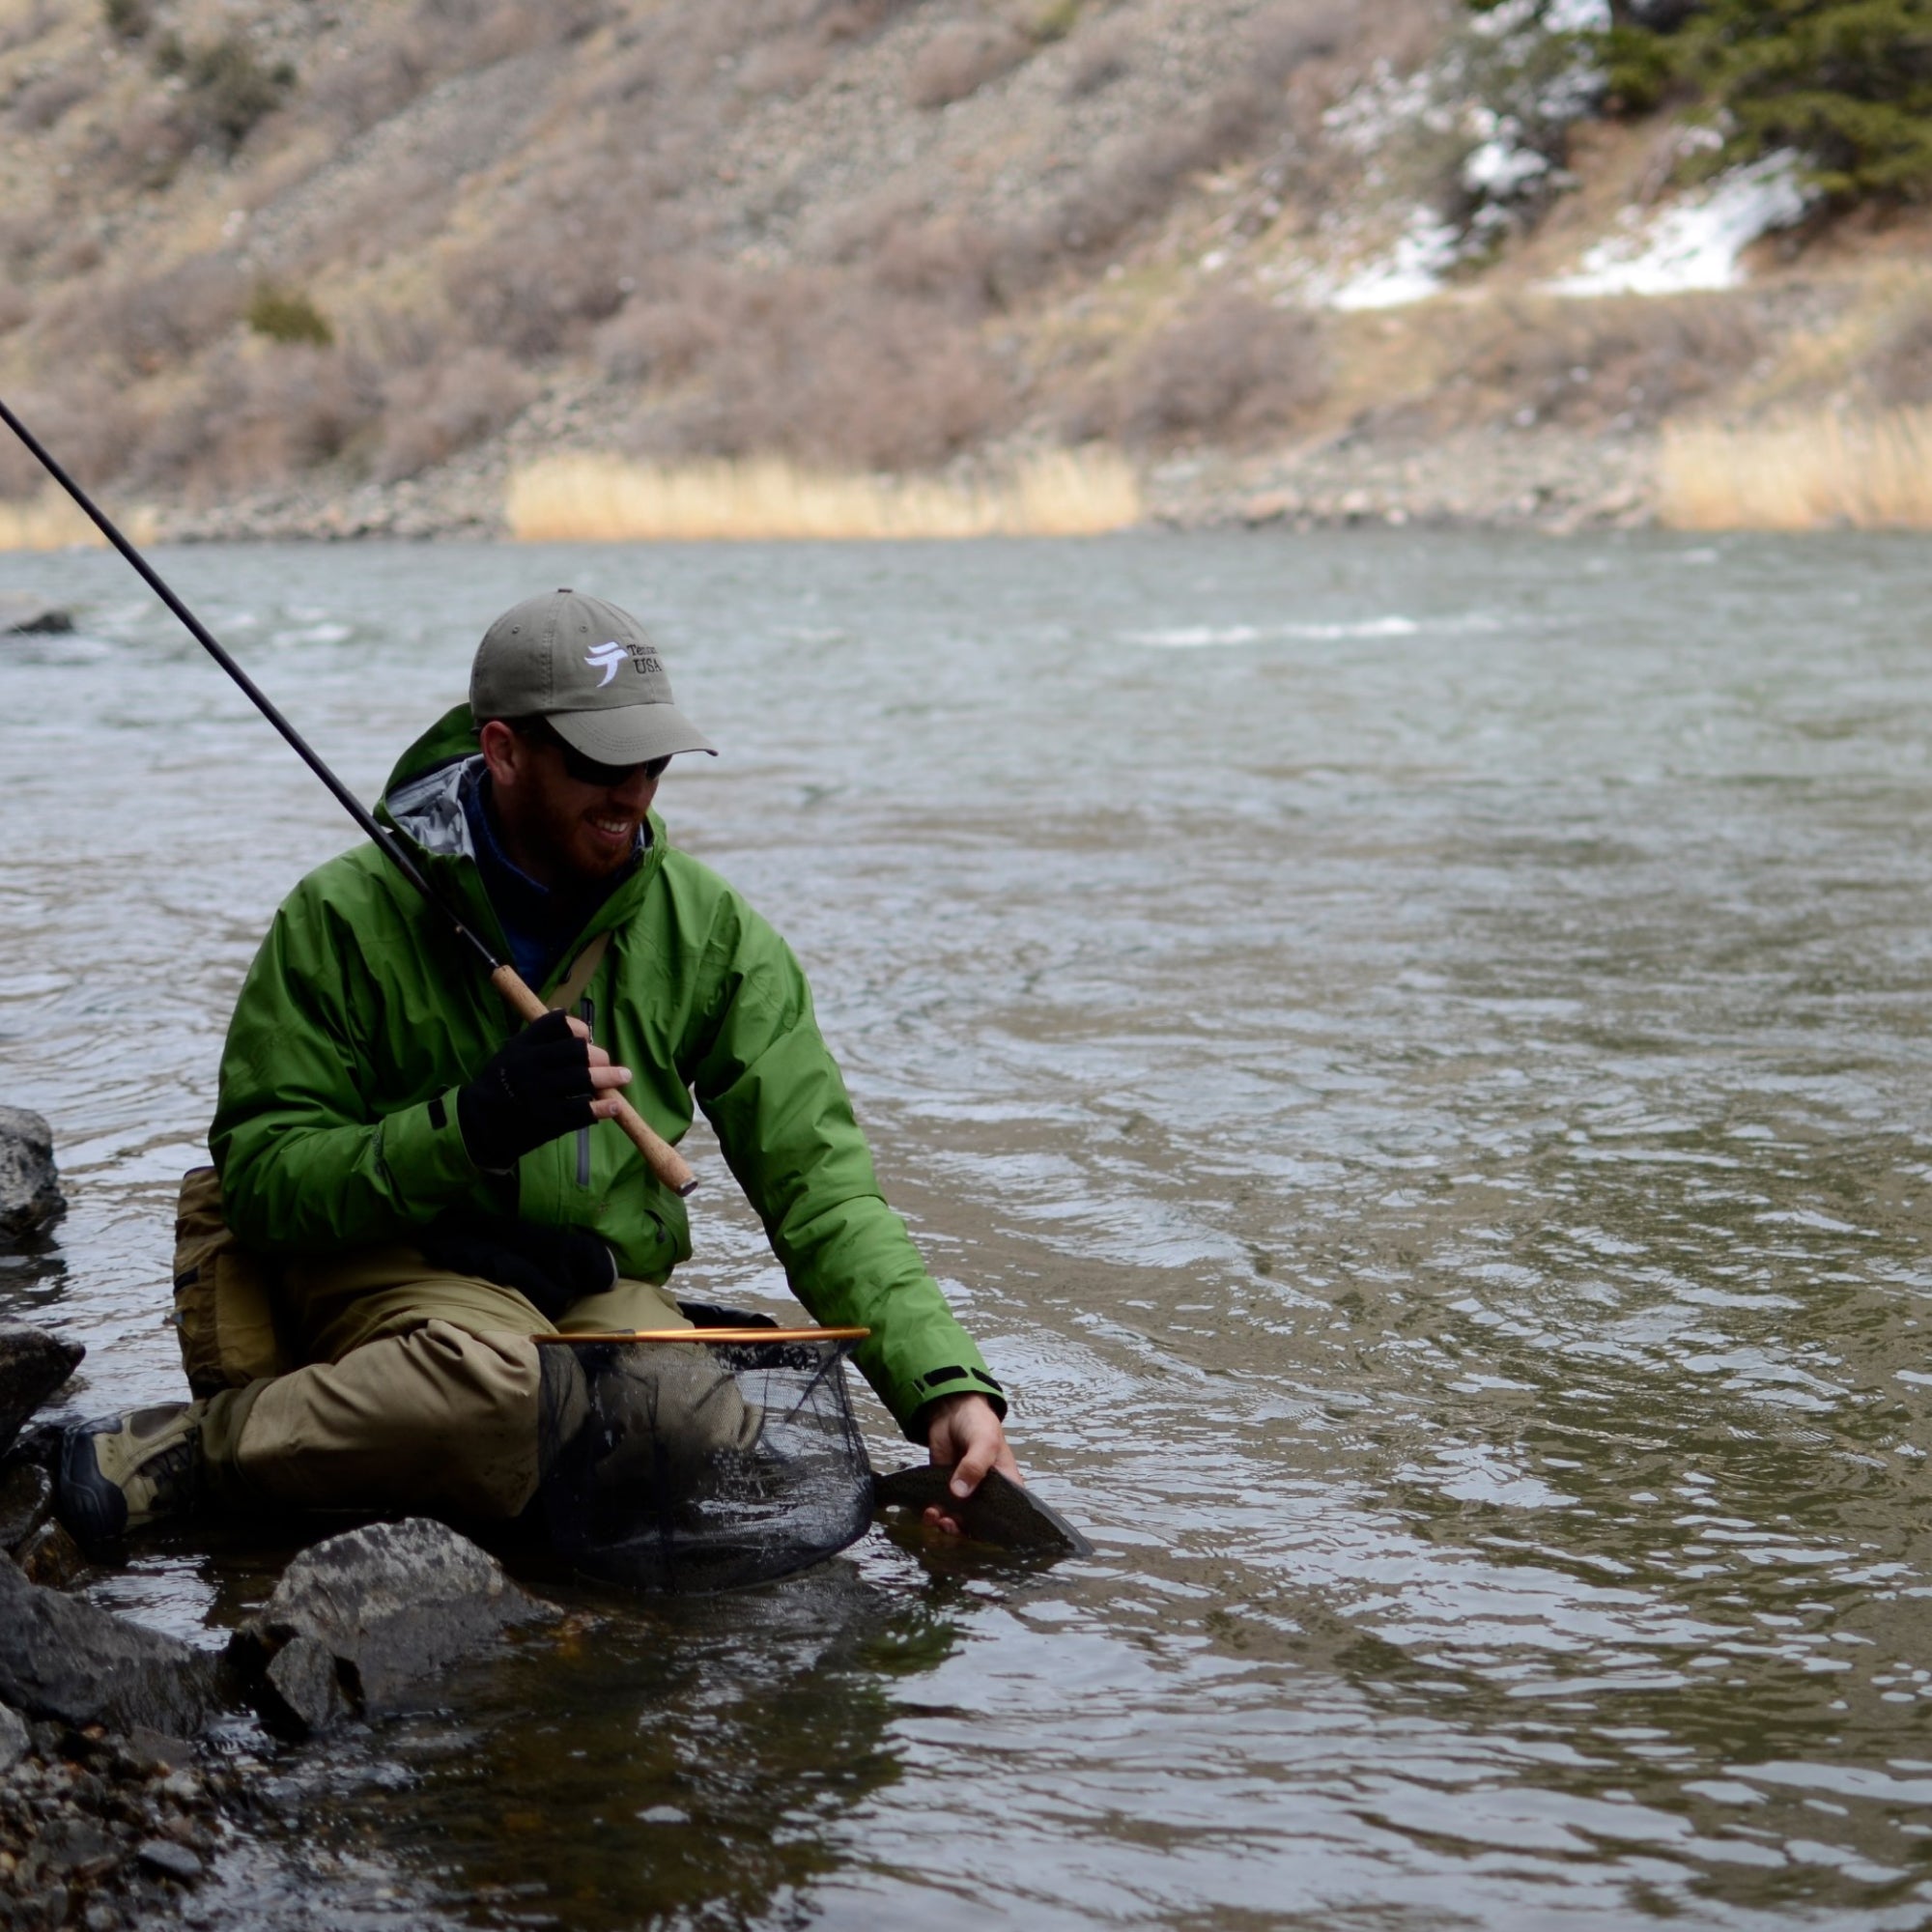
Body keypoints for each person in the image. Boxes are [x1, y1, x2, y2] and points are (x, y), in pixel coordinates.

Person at [57, 588, 1017, 1543]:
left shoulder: (712, 932)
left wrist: (942, 1386)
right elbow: (264, 1181)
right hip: (390, 1273)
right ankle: (187, 1449)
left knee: (704, 1422)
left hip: (583, 1285)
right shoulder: (340, 915)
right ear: (503, 750)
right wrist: (470, 1126)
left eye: (652, 757)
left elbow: (824, 1191)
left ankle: (450, 1470)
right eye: (600, 761)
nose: (633, 788)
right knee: (506, 1386)